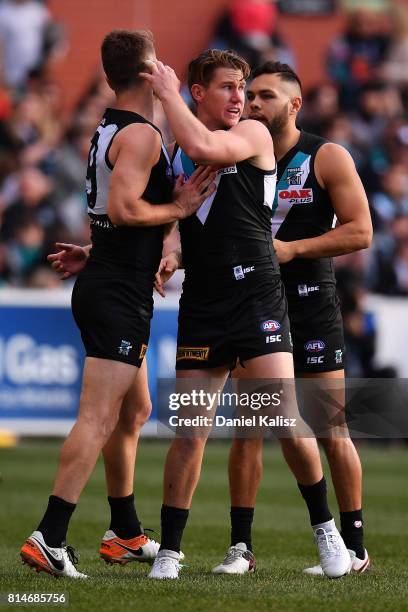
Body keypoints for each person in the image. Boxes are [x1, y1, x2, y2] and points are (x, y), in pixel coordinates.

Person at [140, 50, 352, 580]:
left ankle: (327, 531)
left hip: (257, 296)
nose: (242, 98)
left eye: (246, 88)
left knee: (280, 418)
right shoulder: (176, 152)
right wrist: (168, 247)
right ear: (199, 93)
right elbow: (175, 219)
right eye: (230, 88)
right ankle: (169, 549)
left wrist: (164, 94)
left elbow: (204, 144)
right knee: (190, 430)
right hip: (205, 304)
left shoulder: (253, 135)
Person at [20, 29, 214, 579]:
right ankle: (49, 537)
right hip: (119, 292)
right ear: (149, 72)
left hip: (110, 278)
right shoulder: (144, 136)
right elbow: (128, 209)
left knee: (135, 411)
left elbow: (111, 213)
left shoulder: (110, 125)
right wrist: (179, 205)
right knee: (99, 417)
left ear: (109, 76)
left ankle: (124, 532)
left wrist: (96, 250)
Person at [213, 61, 372, 575]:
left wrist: (294, 248)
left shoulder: (326, 156)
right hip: (254, 302)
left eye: (265, 96)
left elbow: (361, 231)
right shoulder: (235, 152)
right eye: (248, 95)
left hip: (309, 301)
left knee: (331, 428)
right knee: (250, 427)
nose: (253, 104)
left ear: (294, 105)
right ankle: (241, 548)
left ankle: (355, 549)